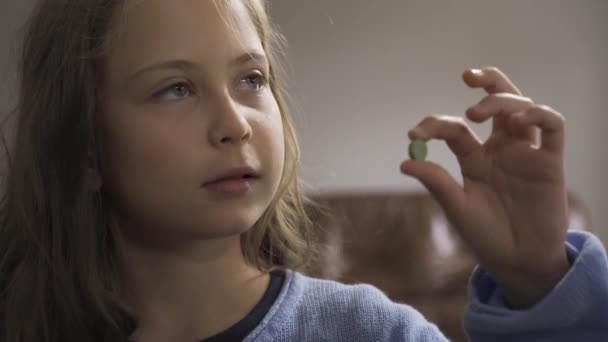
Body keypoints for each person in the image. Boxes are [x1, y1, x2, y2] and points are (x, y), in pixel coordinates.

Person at [0, 0, 606, 341]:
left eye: (251, 80)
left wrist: (539, 283)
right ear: (83, 150)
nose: (235, 122)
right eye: (176, 88)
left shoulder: (371, 331)